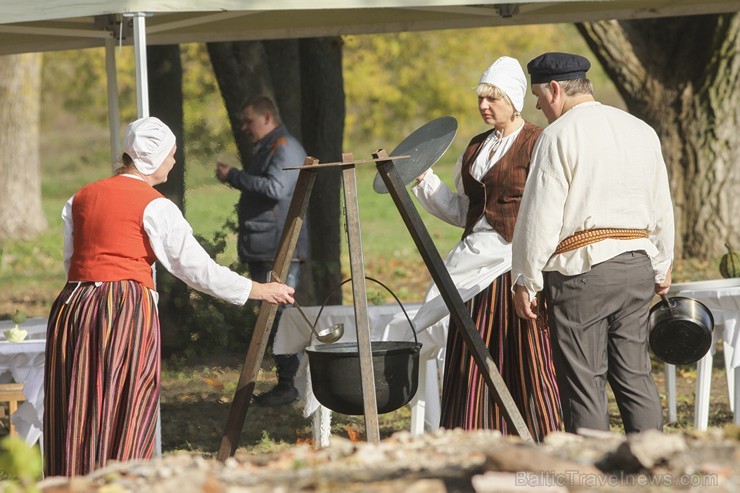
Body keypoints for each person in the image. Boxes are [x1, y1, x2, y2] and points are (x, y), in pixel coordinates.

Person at [43, 116, 294, 477]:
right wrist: (257, 289)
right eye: (171, 155)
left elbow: (73, 261)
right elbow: (196, 270)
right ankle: (120, 482)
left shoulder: (80, 197)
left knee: (76, 403)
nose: (174, 162)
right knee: (124, 403)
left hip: (73, 306)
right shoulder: (154, 205)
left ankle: (71, 482)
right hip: (123, 308)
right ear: (154, 158)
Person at [511, 52, 674, 434]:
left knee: (584, 385)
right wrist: (662, 264)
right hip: (637, 266)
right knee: (635, 377)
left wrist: (525, 279)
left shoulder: (557, 135)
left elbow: (539, 216)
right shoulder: (640, 129)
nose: (537, 106)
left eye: (538, 96)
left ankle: (590, 480)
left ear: (555, 88)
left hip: (583, 275)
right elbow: (662, 204)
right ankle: (654, 470)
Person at [411, 56, 562, 441]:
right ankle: (472, 435)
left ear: (514, 100)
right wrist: (425, 182)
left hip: (518, 265)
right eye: (481, 99)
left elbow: (550, 206)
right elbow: (465, 211)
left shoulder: (538, 141)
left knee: (528, 354)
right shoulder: (475, 148)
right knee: (470, 356)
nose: (484, 106)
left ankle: (542, 436)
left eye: (493, 99)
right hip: (475, 269)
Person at [216, 95, 309, 407]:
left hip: (279, 248)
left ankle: (291, 385)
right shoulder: (272, 146)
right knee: (274, 317)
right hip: (268, 246)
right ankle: (288, 384)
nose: (244, 127)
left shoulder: (283, 146)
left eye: (249, 121)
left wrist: (234, 177)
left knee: (281, 318)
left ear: (267, 118)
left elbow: (275, 189)